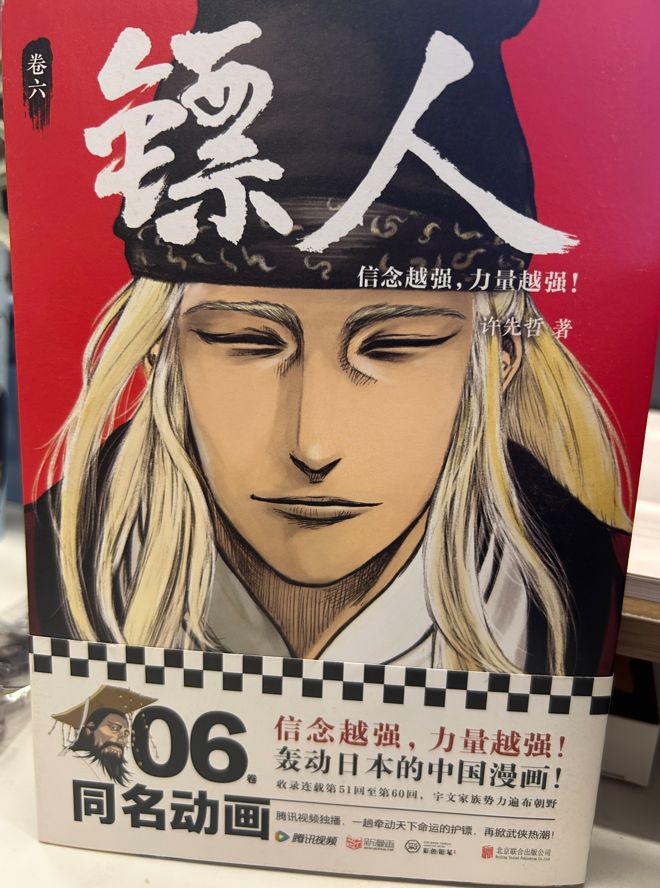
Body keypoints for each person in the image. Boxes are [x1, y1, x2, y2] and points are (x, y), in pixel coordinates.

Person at [26, 0, 630, 676]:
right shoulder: (60, 568)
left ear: (498, 357)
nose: (313, 448)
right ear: (162, 349)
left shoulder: (586, 595)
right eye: (248, 341)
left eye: (395, 346)